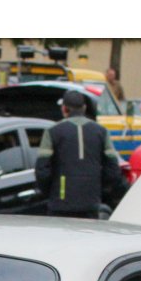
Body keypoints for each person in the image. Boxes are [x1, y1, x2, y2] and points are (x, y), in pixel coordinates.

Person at [35, 90, 122, 220]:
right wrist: (98, 188)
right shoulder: (101, 132)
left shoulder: (52, 131)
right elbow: (113, 170)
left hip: (60, 205)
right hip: (90, 204)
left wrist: (51, 192)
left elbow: (42, 170)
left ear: (64, 108)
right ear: (84, 108)